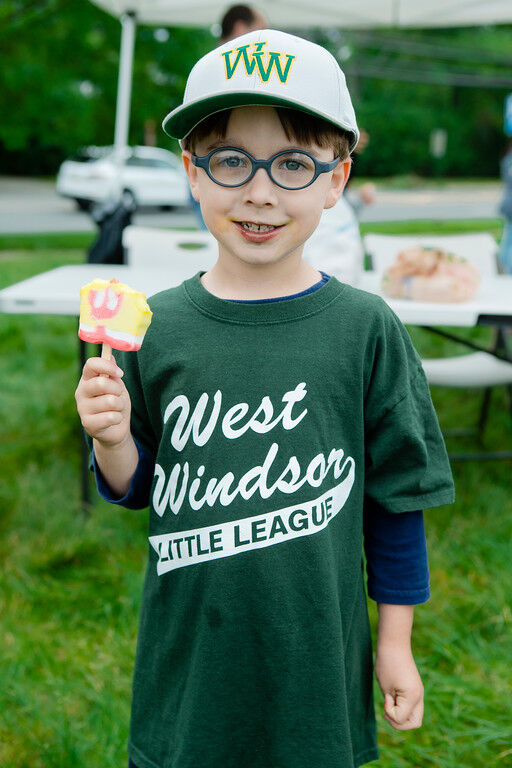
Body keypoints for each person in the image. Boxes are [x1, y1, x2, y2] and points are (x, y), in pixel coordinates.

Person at [75, 29, 455, 768]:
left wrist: (395, 644)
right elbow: (141, 487)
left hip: (315, 666)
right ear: (192, 172)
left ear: (335, 181)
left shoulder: (365, 328)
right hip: (189, 667)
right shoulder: (158, 325)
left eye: (291, 165)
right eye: (230, 161)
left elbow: (398, 496)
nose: (259, 191)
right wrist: (112, 442)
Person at [498, 140, 512, 274]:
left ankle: (503, 262)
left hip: (508, 203)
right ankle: (508, 268)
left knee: (508, 237)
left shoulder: (507, 159)